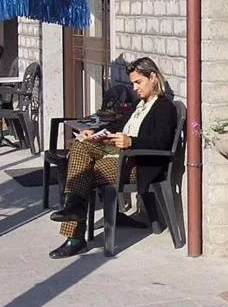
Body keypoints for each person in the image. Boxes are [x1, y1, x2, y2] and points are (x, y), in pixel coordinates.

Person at [48, 57, 177, 258]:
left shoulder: (164, 107)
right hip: (119, 157)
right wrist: (95, 132)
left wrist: (131, 142)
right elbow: (118, 127)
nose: (134, 88)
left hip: (137, 165)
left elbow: (162, 142)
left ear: (152, 78)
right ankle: (74, 208)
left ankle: (75, 232)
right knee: (80, 146)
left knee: (82, 172)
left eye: (138, 82)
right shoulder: (139, 105)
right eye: (133, 82)